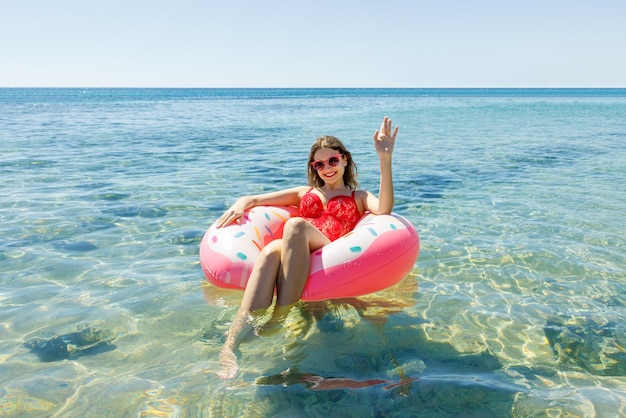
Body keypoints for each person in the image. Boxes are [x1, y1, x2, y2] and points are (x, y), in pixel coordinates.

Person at [216, 116, 399, 379]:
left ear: (345, 160)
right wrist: (240, 203)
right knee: (269, 252)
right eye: (320, 164)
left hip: (328, 254)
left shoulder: (358, 197)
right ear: (314, 167)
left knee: (296, 226)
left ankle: (280, 315)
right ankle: (229, 346)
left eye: (333, 161)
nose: (327, 168)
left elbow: (384, 208)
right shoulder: (306, 192)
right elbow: (255, 198)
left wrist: (385, 157)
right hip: (295, 255)